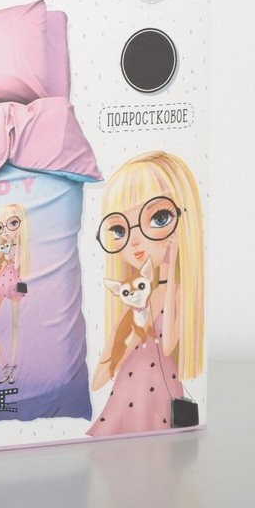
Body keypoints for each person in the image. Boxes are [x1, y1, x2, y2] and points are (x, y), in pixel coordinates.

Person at [88, 152, 204, 435]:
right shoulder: (135, 299)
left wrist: (172, 269)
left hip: (160, 387)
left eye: (160, 217)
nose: (135, 241)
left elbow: (169, 344)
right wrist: (120, 348)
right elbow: (101, 373)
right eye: (119, 229)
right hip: (129, 384)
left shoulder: (178, 293)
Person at [0, 204, 30, 385]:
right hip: (3, 281)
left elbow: (19, 266)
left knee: (15, 325)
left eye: (12, 223)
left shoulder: (19, 247)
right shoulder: (4, 247)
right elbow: (2, 266)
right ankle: (4, 367)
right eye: (1, 226)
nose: (5, 230)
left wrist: (16, 244)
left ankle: (12, 367)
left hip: (16, 282)